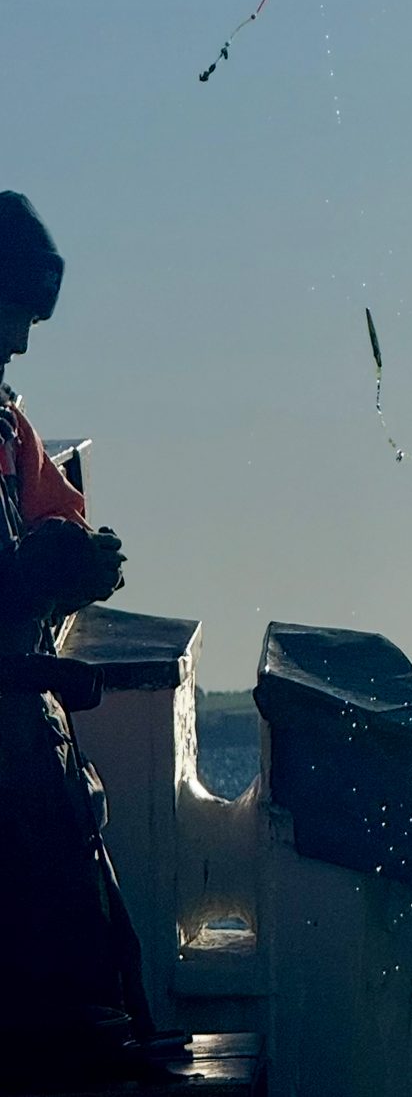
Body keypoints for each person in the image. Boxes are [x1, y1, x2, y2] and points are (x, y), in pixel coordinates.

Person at [0, 191, 142, 1052]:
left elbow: (64, 526)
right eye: (9, 317)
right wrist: (36, 569)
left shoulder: (13, 428)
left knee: (82, 968)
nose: (16, 343)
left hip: (25, 722)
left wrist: (86, 566)